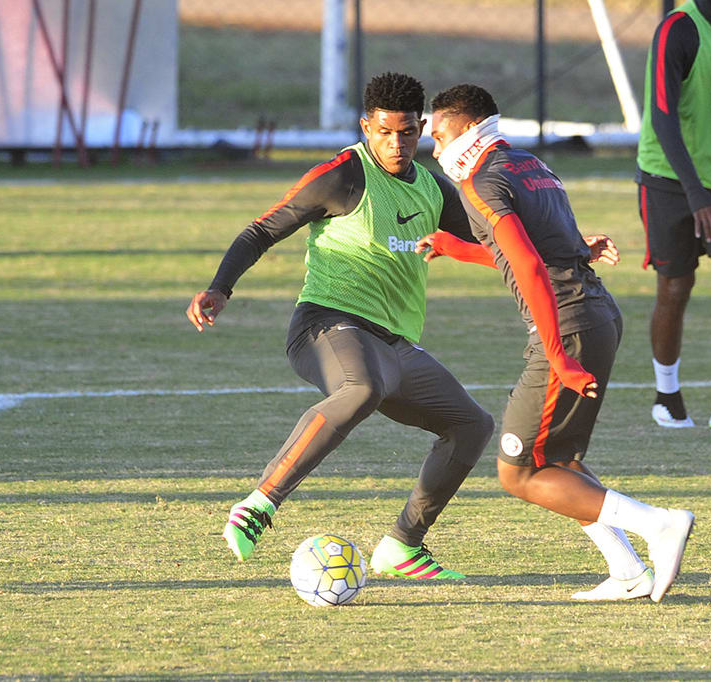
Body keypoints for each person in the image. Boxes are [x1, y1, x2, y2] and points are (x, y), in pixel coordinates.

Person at [186, 72, 494, 580]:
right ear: (365, 126)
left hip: (393, 345)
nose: (396, 144)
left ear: (421, 128)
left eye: (407, 133)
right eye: (385, 132)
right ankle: (261, 503)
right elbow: (263, 228)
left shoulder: (433, 188)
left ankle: (402, 546)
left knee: (471, 424)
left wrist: (568, 246)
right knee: (362, 386)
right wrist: (221, 287)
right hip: (325, 324)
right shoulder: (344, 175)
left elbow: (495, 236)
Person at [418, 83, 695, 602]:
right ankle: (628, 570)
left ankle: (658, 524)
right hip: (596, 314)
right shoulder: (532, 165)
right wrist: (458, 247)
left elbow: (526, 265)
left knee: (518, 471)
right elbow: (531, 252)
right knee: (560, 459)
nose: (434, 147)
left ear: (467, 128)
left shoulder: (479, 182)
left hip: (570, 325)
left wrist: (558, 357)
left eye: (438, 134)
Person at [636, 0, 711, 430]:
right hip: (670, 180)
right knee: (676, 288)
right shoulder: (679, 28)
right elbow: (662, 117)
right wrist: (695, 193)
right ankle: (666, 395)